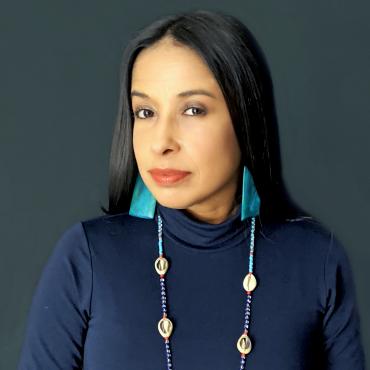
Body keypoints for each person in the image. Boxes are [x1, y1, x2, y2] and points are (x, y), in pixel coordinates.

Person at [17, 9, 366, 370]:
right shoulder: (86, 259)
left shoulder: (316, 261)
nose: (161, 143)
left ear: (246, 118)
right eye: (145, 112)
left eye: (194, 110)